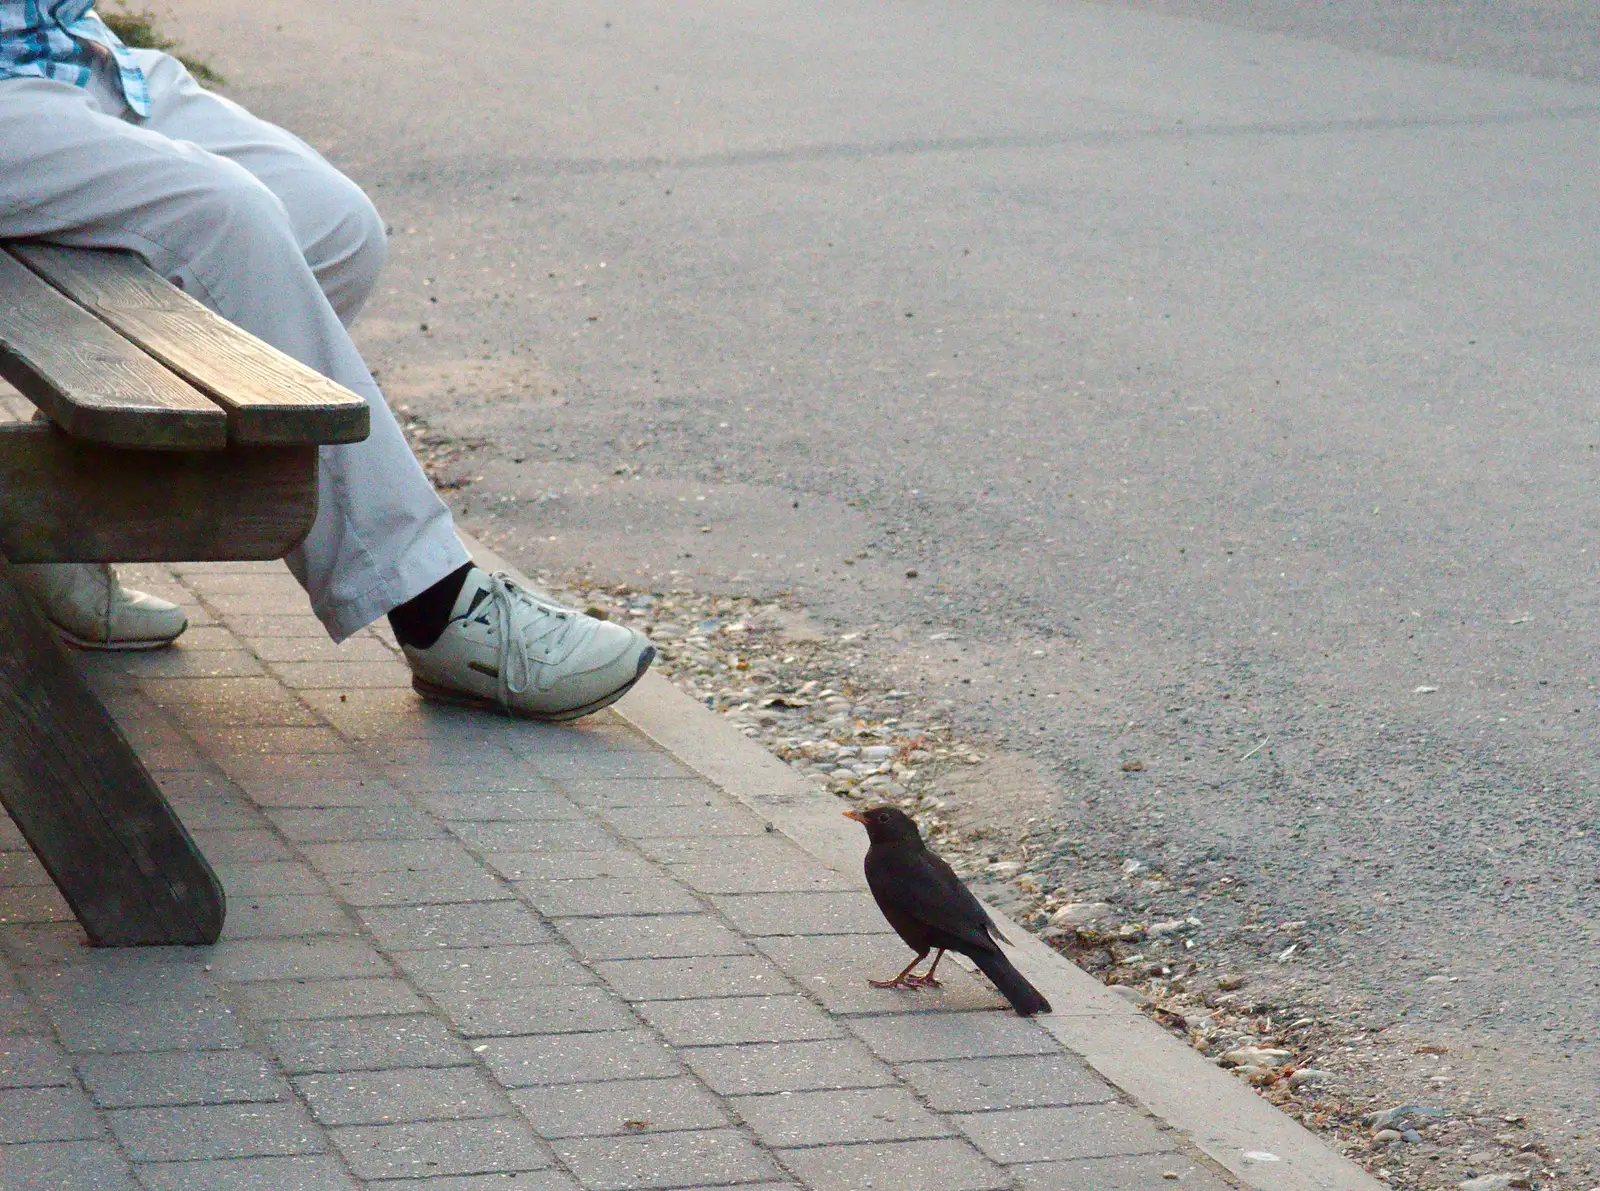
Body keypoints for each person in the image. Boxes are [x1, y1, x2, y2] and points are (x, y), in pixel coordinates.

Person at [0, 2, 654, 720]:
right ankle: (431, 603)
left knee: (335, 225)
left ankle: (61, 506)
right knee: (230, 223)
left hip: (71, 53)